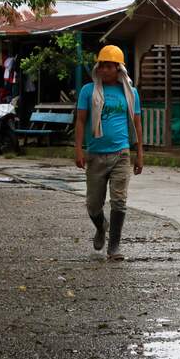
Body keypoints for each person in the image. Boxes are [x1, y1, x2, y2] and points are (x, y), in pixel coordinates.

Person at [75, 45, 144, 261]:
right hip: (95, 154)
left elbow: (137, 124)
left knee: (119, 201)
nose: (104, 70)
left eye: (109, 66)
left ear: (118, 69)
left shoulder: (130, 93)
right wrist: (79, 149)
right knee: (93, 204)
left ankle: (114, 247)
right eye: (102, 66)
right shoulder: (88, 91)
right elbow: (80, 121)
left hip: (121, 153)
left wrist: (139, 152)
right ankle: (101, 226)